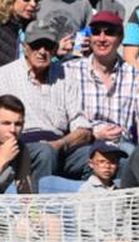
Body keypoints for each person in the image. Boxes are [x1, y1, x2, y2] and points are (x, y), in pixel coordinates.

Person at [62, 10, 139, 177]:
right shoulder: (70, 71)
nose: (102, 38)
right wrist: (92, 135)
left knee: (134, 161)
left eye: (109, 32)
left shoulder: (136, 77)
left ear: (120, 37)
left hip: (120, 145)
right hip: (82, 143)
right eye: (96, 32)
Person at [0, 21, 88, 178]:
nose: (42, 51)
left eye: (47, 46)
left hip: (61, 146)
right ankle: (39, 202)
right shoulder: (5, 76)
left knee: (106, 157)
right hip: (21, 146)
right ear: (25, 47)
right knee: (45, 152)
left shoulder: (66, 76)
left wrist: (60, 144)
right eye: (36, 45)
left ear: (55, 49)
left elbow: (83, 129)